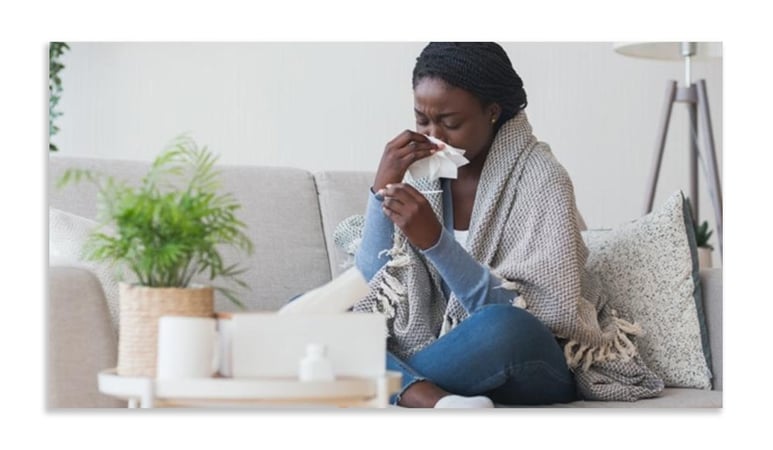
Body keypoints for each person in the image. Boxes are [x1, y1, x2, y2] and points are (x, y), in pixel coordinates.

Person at [335, 42, 663, 408]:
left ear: (492, 112)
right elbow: (368, 289)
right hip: (446, 353)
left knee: (502, 328)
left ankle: (384, 379)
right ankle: (434, 399)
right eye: (422, 120)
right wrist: (380, 191)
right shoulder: (421, 176)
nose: (434, 137)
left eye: (451, 122)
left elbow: (538, 315)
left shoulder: (543, 179)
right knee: (309, 312)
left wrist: (436, 242)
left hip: (529, 359)